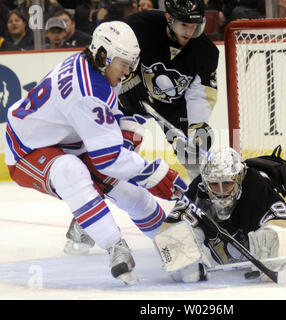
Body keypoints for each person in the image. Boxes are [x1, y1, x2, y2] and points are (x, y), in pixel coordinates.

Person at [5, 20, 187, 285]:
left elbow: (106, 124)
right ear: (103, 54)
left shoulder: (96, 68)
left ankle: (174, 244)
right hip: (27, 149)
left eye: (130, 64)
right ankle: (114, 245)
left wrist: (127, 133)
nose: (127, 72)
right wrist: (157, 175)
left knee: (124, 186)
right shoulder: (86, 89)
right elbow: (108, 158)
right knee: (71, 171)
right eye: (124, 64)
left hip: (67, 139)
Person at [155, 146, 286, 282]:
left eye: (227, 184)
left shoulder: (254, 185)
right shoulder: (199, 190)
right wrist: (183, 251)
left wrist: (276, 236)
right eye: (214, 185)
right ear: (205, 181)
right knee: (185, 268)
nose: (221, 191)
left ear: (239, 178)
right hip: (240, 232)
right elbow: (169, 231)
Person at [117, 0, 219, 180]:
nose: (189, 32)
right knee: (120, 139)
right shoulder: (140, 26)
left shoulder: (205, 51)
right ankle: (115, 179)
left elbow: (199, 93)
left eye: (195, 26)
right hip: (134, 90)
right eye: (184, 25)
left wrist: (197, 125)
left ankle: (202, 193)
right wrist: (121, 81)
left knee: (193, 155)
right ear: (168, 19)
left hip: (175, 106)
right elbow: (111, 49)